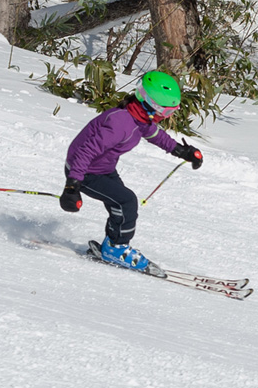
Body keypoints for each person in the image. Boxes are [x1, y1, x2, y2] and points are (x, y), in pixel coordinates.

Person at [58, 70, 202, 271]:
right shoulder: (120, 124)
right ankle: (116, 248)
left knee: (120, 205)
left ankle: (112, 245)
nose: (168, 116)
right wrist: (72, 186)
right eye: (168, 112)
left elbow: (155, 135)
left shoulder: (139, 117)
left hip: (103, 168)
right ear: (152, 106)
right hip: (85, 172)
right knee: (127, 201)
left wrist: (181, 151)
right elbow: (86, 151)